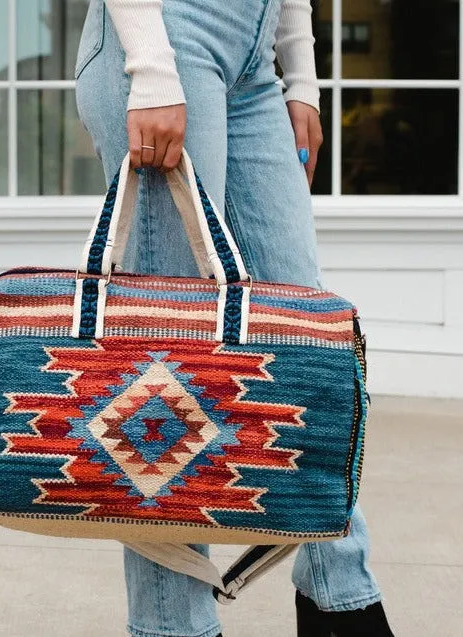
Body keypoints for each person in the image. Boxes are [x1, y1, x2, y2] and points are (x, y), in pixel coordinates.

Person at [75, 1, 395, 635]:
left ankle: (341, 596)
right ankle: (175, 625)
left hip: (256, 53)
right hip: (167, 33)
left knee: (310, 345)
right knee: (163, 363)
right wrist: (151, 65)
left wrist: (300, 75)